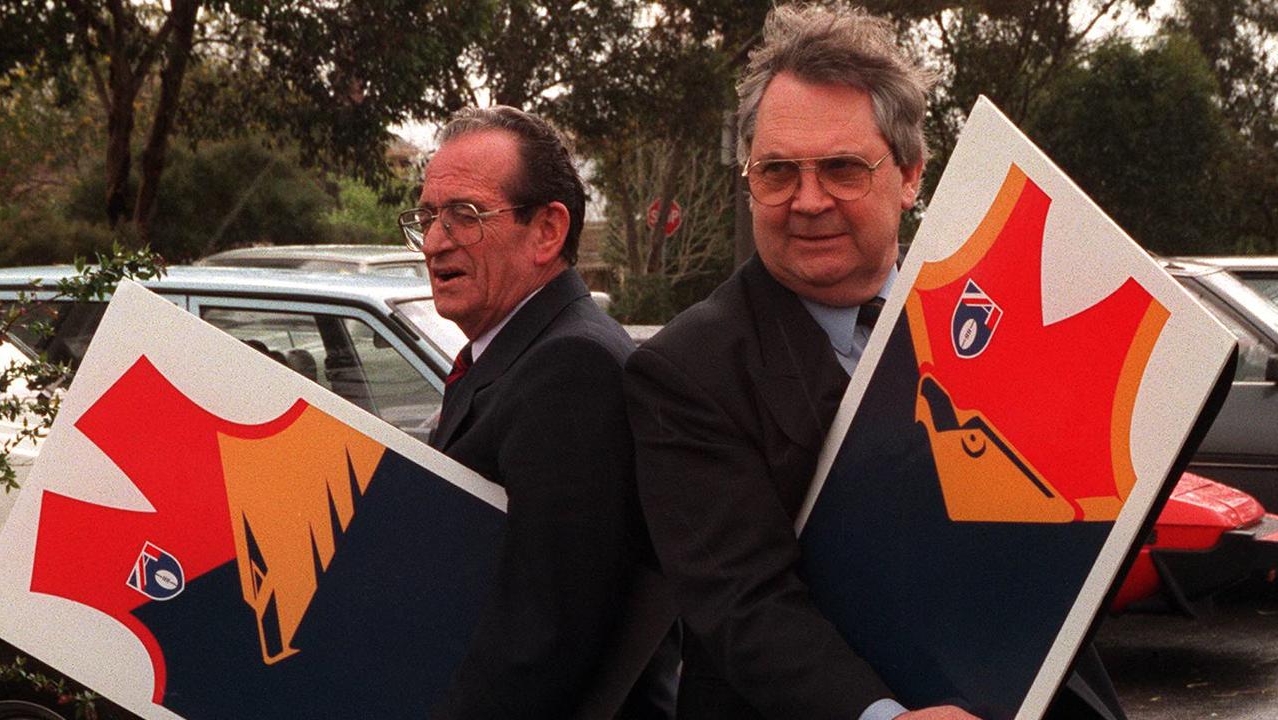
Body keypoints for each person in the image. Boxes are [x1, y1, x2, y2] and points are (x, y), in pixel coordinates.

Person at [624, 5, 1125, 720]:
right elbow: (744, 604)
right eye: (776, 172)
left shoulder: (985, 315)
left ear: (911, 175)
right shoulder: (685, 372)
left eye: (840, 169)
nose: (807, 200)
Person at [403, 106, 673, 719]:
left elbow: (543, 638)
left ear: (548, 231)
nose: (436, 241)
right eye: (426, 217)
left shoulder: (574, 366)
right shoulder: (507, 350)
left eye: (464, 216)